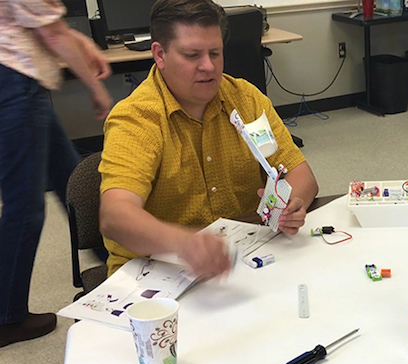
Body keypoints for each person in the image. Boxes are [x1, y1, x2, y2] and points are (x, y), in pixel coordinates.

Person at [98, 0, 318, 279]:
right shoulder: (137, 119)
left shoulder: (245, 99)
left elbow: (301, 173)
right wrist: (185, 243)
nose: (208, 66)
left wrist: (293, 203)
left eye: (215, 53)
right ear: (159, 54)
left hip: (242, 260)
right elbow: (115, 216)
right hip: (156, 270)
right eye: (192, 55)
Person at [0, 0, 113, 348]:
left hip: (20, 81)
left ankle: (114, 264)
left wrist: (86, 45)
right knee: (26, 207)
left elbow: (46, 24)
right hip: (14, 83)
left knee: (70, 175)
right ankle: (6, 317)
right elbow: (54, 34)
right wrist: (97, 91)